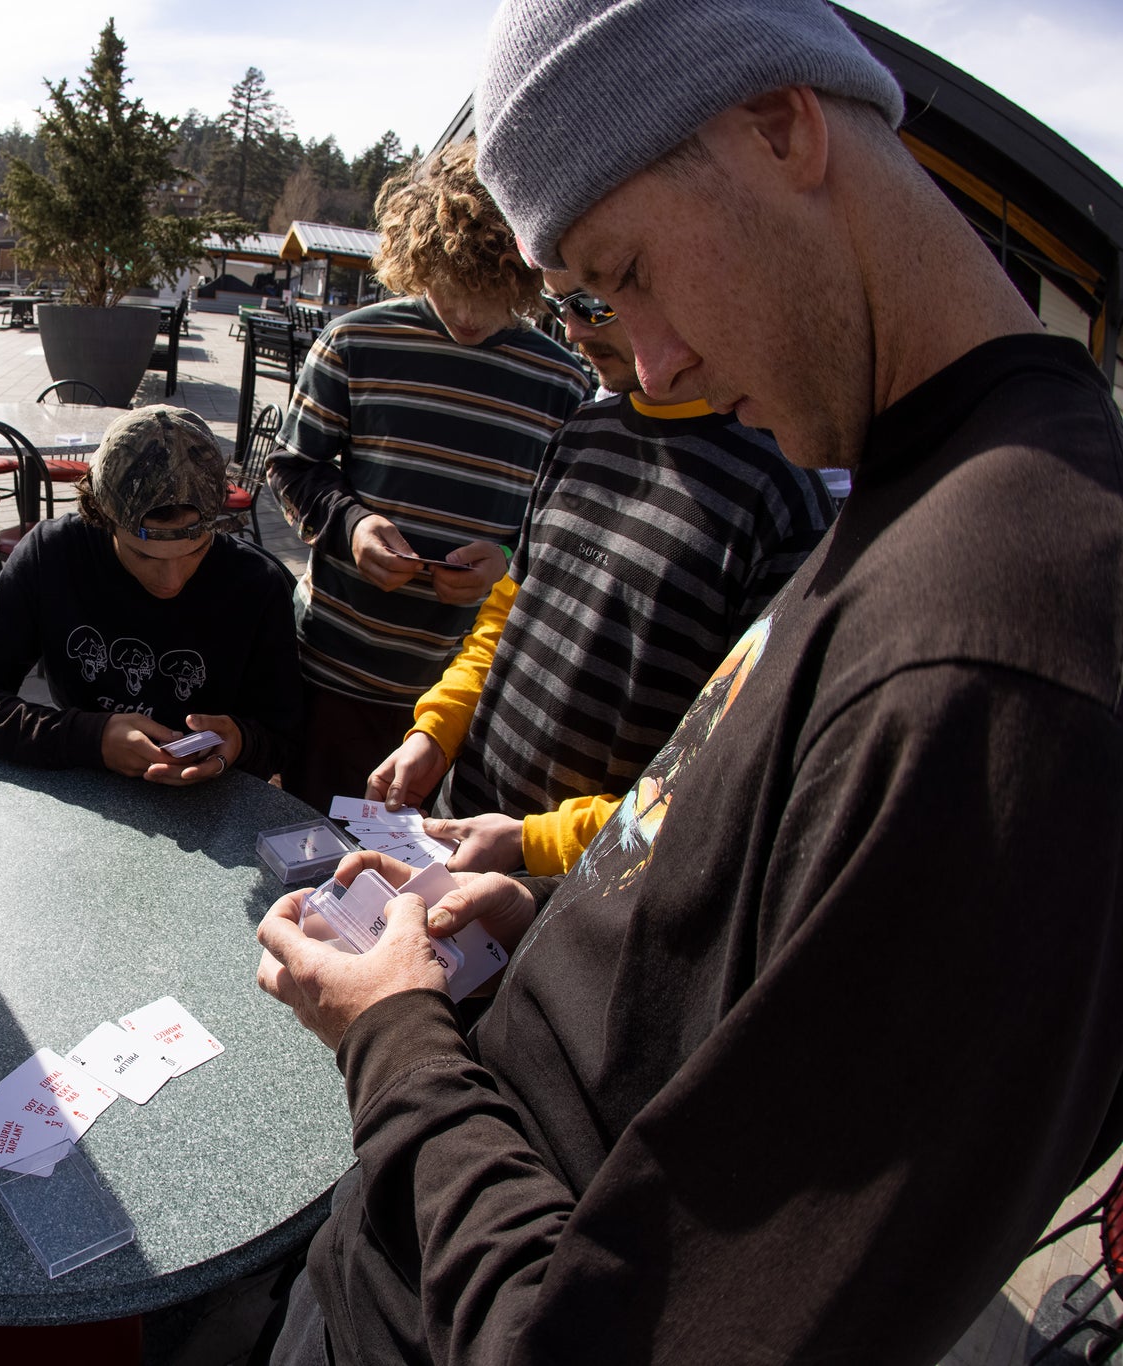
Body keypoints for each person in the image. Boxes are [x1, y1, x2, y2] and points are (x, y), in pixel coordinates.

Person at [256, 2, 1123, 1362]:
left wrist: (398, 1038)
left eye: (632, 269)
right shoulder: (924, 494)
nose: (651, 366)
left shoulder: (1006, 654)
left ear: (780, 124)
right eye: (596, 308)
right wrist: (551, 912)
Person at [364, 273, 833, 874]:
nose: (573, 328)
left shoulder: (782, 494)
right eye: (563, 303)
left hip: (585, 890)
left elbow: (729, 765)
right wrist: (436, 729)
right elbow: (509, 613)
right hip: (458, 830)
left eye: (597, 302)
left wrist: (537, 843)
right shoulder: (582, 432)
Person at [266, 140, 590, 812]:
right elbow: (293, 466)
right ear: (418, 259)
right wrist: (351, 527)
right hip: (335, 672)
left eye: (492, 293)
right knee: (300, 867)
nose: (468, 315)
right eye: (450, 285)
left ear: (528, 277)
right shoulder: (354, 342)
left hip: (464, 698)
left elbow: (560, 533)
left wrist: (504, 559)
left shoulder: (564, 381)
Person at [0, 407, 303, 782]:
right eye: (142, 554)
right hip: (87, 789)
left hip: (214, 810)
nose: (170, 581)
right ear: (102, 516)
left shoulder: (257, 584)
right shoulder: (55, 554)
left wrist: (241, 743)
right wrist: (91, 737)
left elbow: (285, 738)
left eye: (195, 551)